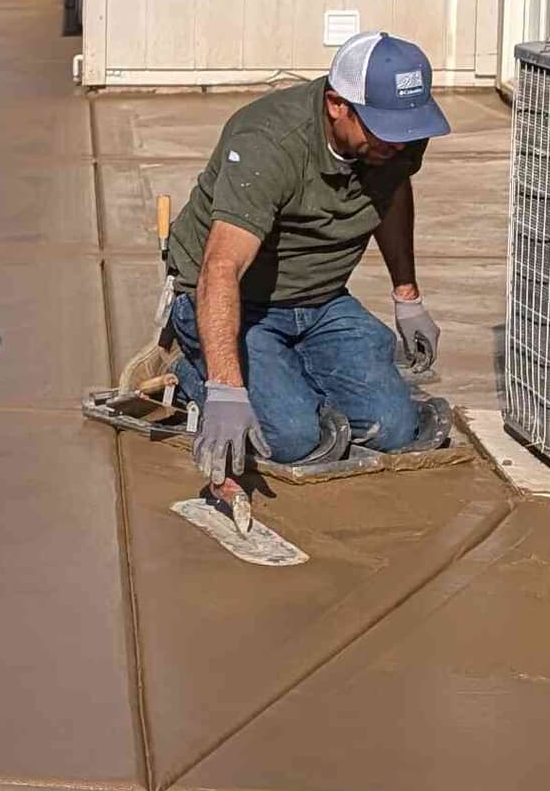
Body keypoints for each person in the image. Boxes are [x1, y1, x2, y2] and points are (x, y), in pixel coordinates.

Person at [161, 29, 456, 485]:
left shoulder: (398, 138)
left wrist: (407, 295)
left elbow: (392, 191)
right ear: (337, 104)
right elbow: (221, 268)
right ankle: (192, 372)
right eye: (384, 128)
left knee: (394, 429)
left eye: (408, 128)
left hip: (322, 300)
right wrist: (224, 388)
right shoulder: (269, 142)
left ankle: (290, 379)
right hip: (240, 303)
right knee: (290, 438)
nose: (400, 144)